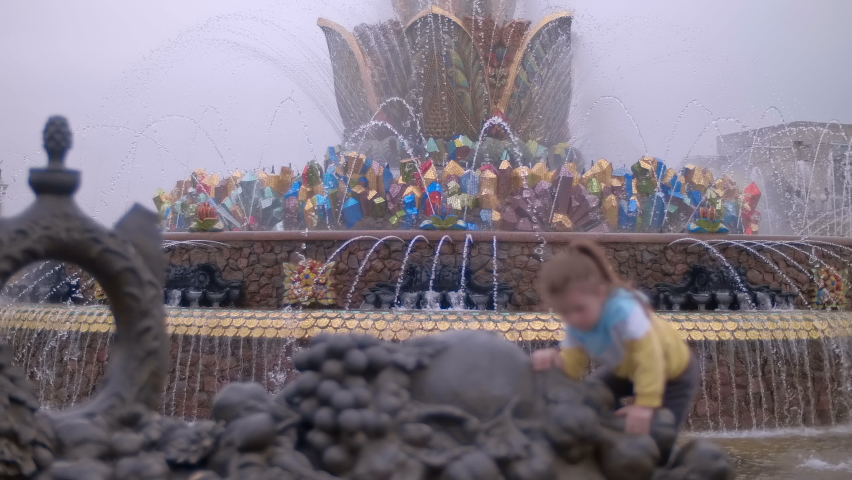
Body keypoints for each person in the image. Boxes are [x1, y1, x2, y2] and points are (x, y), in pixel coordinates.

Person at [531, 240, 699, 439]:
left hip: (672, 374)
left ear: (601, 294)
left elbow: (651, 357)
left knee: (660, 435)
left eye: (579, 308)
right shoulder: (576, 325)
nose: (573, 318)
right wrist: (553, 362)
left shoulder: (623, 311)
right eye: (564, 312)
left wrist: (645, 404)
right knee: (592, 395)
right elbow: (571, 369)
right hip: (628, 370)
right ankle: (612, 435)